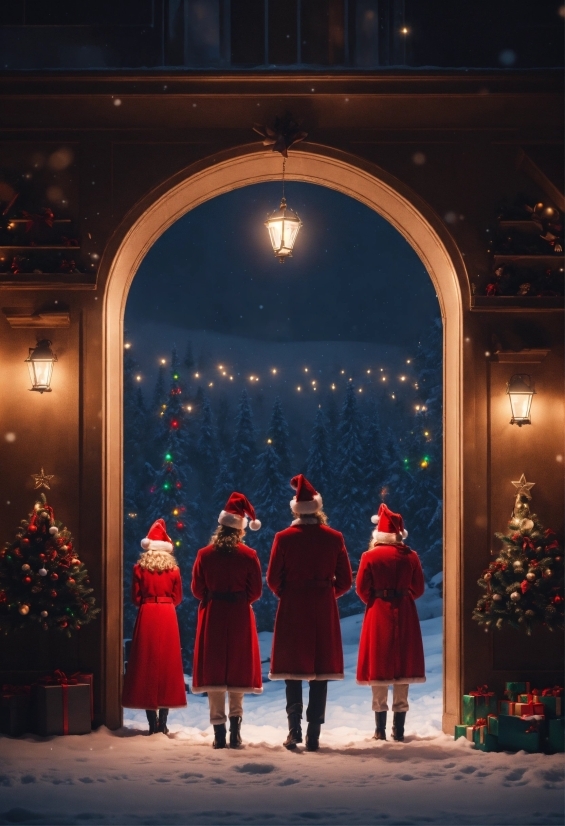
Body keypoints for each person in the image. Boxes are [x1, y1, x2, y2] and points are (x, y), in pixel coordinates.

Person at [267, 474, 352, 751]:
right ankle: (314, 732)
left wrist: (290, 593)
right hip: (322, 606)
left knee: (293, 671)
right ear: (318, 508)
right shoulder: (334, 538)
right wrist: (327, 593)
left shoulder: (283, 538)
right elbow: (346, 580)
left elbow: (272, 579)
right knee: (320, 670)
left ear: (295, 509)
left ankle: (294, 731)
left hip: (293, 606)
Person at [191, 492, 263, 749]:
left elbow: (197, 590)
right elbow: (255, 591)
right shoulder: (249, 555)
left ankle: (219, 731)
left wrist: (214, 596)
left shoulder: (205, 554)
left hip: (213, 613)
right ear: (241, 528)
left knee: (215, 673)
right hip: (239, 613)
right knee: (237, 671)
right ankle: (235, 729)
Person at [356, 502, 425, 742]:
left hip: (378, 610)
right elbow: (418, 588)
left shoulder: (369, 556)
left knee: (379, 666)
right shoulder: (412, 556)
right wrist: (403, 597)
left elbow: (362, 589)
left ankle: (380, 729)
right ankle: (400, 729)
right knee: (403, 667)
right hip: (405, 610)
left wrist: (377, 600)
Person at [122, 518, 187, 734]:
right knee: (167, 665)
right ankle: (164, 722)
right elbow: (178, 598)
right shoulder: (174, 570)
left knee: (146, 663)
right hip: (167, 614)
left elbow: (135, 597)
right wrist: (165, 602)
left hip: (148, 613)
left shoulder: (139, 568)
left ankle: (152, 723)